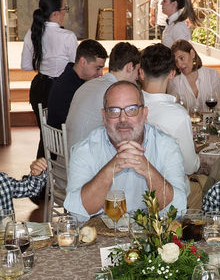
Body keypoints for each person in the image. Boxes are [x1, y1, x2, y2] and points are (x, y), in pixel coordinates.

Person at [65, 80, 188, 221]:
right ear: (104, 117)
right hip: (101, 233)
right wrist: (110, 169)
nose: (123, 119)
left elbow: (178, 210)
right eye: (114, 111)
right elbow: (77, 213)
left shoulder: (167, 146)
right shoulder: (85, 149)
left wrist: (148, 170)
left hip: (151, 232)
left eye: (132, 110)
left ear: (145, 114)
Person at [20, 0, 77, 157]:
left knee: (46, 135)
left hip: (39, 88)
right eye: (65, 9)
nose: (65, 13)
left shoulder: (32, 33)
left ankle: (43, 169)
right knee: (56, 135)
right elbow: (75, 66)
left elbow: (26, 66)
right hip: (61, 89)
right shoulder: (68, 36)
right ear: (56, 14)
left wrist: (45, 62)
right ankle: (48, 169)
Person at [139, 43, 199, 175]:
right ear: (172, 74)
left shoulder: (127, 105)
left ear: (141, 73)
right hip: (167, 183)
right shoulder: (178, 115)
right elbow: (190, 167)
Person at [65, 41, 140, 146]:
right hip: (86, 151)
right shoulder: (116, 92)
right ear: (130, 67)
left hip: (69, 148)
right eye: (137, 71)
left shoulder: (88, 84)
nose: (137, 77)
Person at [46, 39, 107, 129]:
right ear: (83, 62)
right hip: (66, 135)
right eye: (98, 68)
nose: (101, 73)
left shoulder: (75, 79)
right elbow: (79, 121)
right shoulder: (67, 87)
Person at [167, 39, 220, 113]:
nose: (179, 64)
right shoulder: (174, 82)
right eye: (176, 61)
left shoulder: (212, 75)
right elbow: (172, 111)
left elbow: (219, 108)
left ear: (192, 54)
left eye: (182, 58)